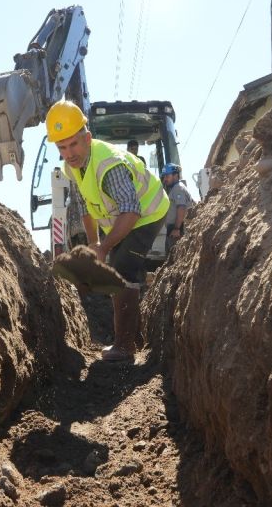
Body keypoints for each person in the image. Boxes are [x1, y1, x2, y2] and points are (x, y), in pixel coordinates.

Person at [46, 100, 170, 362]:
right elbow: (87, 207)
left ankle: (125, 347)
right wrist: (94, 244)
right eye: (62, 147)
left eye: (74, 144)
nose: (69, 153)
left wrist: (105, 247)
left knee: (122, 268)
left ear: (87, 138)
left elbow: (132, 211)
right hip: (126, 215)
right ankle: (134, 337)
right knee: (120, 265)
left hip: (148, 212)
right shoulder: (74, 167)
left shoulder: (108, 165)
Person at [161, 163, 195, 253]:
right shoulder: (177, 188)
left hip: (176, 230)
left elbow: (181, 208)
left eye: (167, 176)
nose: (165, 179)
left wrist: (176, 229)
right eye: (164, 177)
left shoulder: (178, 188)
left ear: (175, 175)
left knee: (173, 258)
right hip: (174, 228)